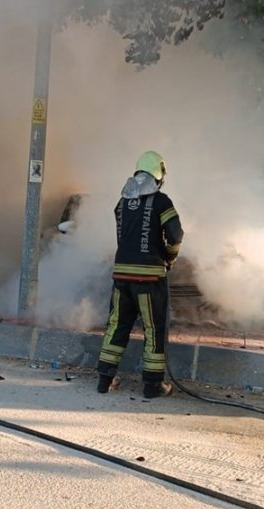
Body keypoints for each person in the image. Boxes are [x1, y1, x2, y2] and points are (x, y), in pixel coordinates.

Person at [95, 151, 185, 398]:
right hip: (149, 279)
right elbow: (176, 234)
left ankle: (105, 380)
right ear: (158, 176)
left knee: (116, 326)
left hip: (122, 276)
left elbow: (123, 237)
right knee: (153, 328)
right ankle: (152, 386)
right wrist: (170, 256)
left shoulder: (122, 202)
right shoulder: (161, 201)